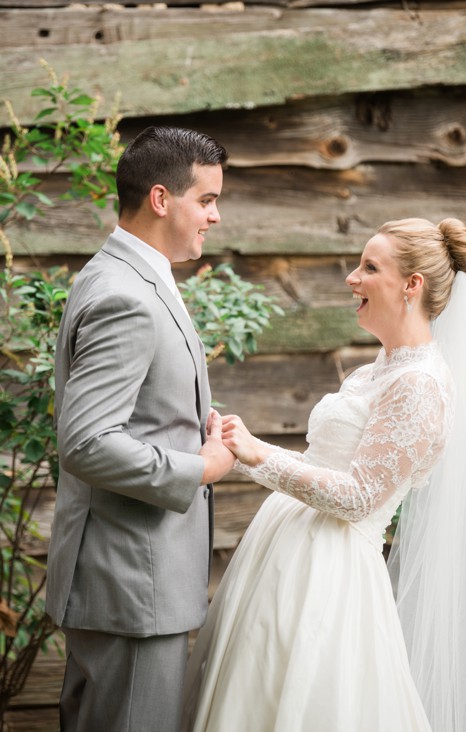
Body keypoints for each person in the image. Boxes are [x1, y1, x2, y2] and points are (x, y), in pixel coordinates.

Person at [181, 217, 466, 731]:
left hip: (331, 573)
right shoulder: (378, 369)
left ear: (411, 285)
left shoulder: (421, 384)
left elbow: (361, 498)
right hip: (285, 554)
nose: (352, 278)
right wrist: (245, 446)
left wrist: (261, 456)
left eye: (369, 267)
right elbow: (328, 466)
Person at [47, 126, 236, 732]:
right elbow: (87, 441)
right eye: (206, 200)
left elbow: (137, 410)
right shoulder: (124, 294)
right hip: (133, 583)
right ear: (162, 199)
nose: (215, 215)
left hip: (133, 579)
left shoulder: (130, 275)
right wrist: (200, 467)